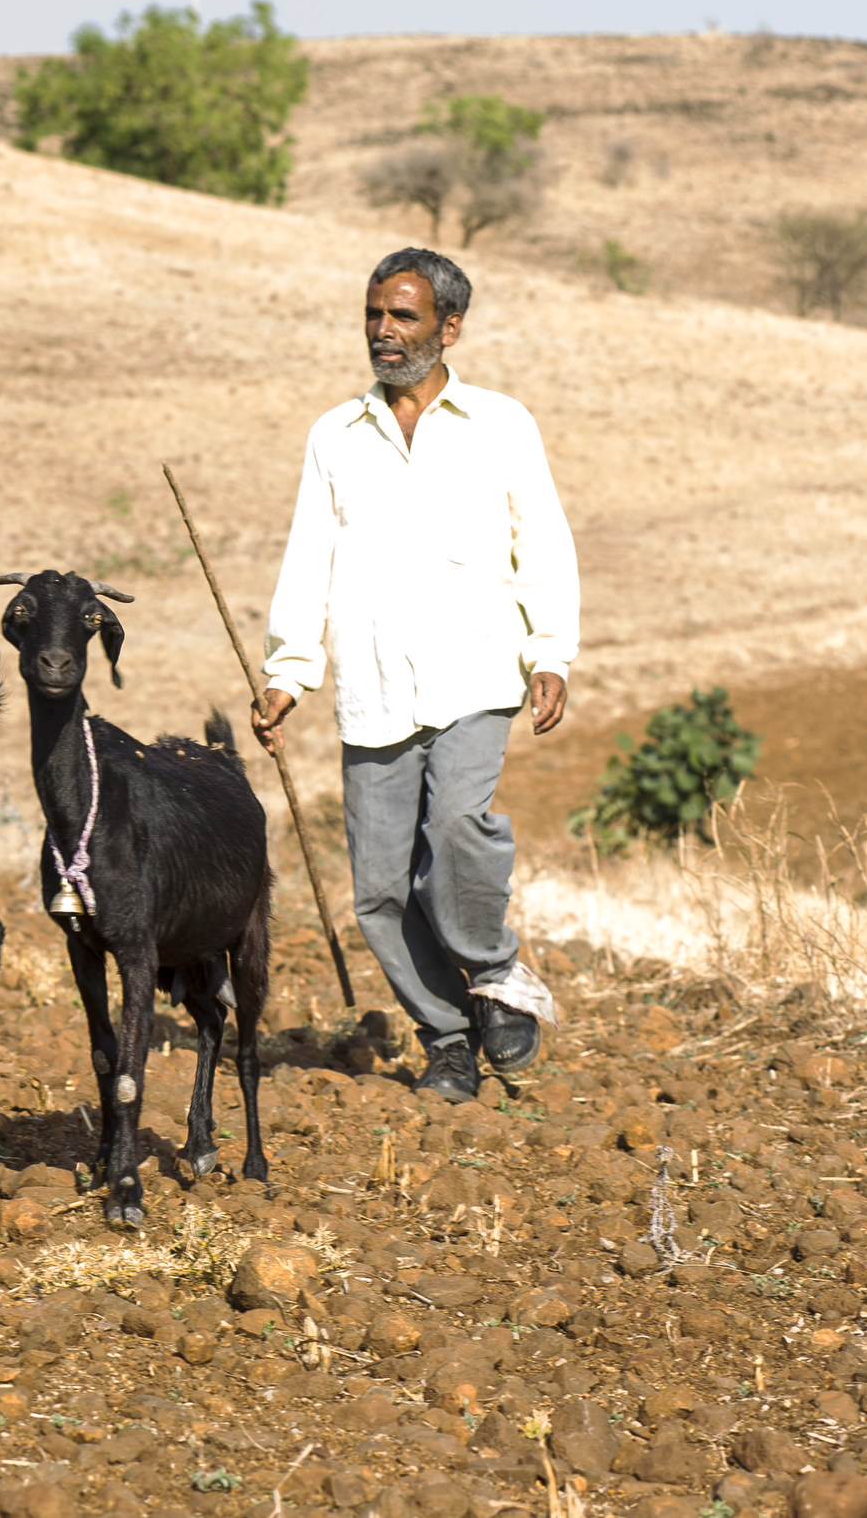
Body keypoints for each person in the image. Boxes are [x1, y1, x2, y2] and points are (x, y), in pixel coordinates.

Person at [249, 248, 578, 1103]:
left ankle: (497, 971)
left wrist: (549, 651)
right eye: (374, 316)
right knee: (380, 892)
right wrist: (289, 672)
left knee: (463, 831)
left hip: (474, 671)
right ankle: (449, 1037)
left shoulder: (501, 424)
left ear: (449, 327)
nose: (383, 333)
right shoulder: (335, 435)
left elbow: (540, 540)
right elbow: (306, 559)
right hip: (371, 686)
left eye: (403, 317)